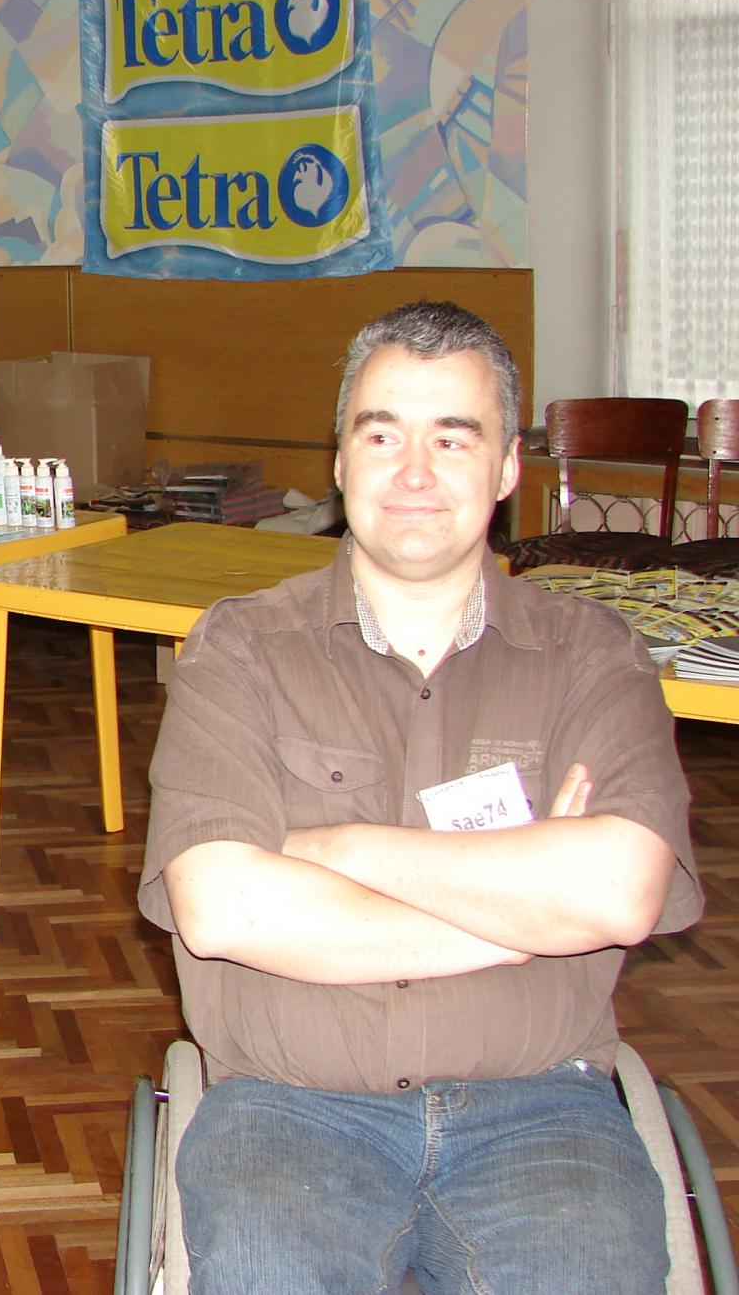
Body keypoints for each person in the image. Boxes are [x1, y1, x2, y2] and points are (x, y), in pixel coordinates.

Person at [139, 301, 701, 1293]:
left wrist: (337, 848)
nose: (411, 473)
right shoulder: (238, 650)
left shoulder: (593, 656)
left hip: (543, 1110)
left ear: (508, 467)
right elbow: (224, 909)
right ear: (339, 461)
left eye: (452, 438)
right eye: (381, 434)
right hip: (286, 1108)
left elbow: (616, 895)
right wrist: (525, 919)